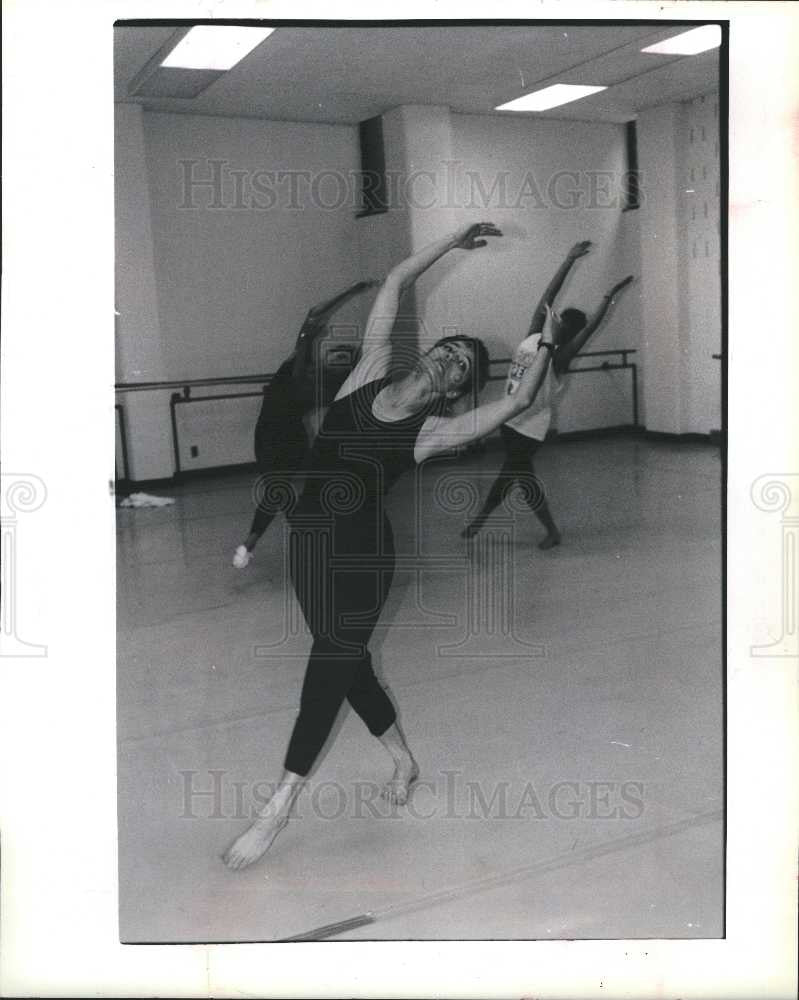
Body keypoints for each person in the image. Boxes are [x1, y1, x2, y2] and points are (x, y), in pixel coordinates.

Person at [222, 221, 559, 870]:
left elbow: (512, 405)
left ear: (457, 387)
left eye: (461, 364)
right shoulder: (369, 373)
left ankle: (279, 804)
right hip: (309, 544)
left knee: (326, 668)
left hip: (363, 557)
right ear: (429, 351)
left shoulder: (432, 432)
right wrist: (453, 240)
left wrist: (545, 344)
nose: (449, 359)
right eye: (447, 349)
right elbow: (400, 280)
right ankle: (403, 758)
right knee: (346, 666)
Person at [461, 242, 634, 547]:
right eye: (558, 319)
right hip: (509, 416)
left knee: (519, 475)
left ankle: (528, 527)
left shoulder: (561, 355)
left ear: (568, 332)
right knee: (514, 473)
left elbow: (591, 327)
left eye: (564, 325)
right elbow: (547, 297)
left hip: (530, 426)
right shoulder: (533, 336)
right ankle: (505, 523)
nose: (557, 323)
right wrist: (568, 260)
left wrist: (609, 296)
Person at [232, 280, 376, 569]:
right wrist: (351, 290)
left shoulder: (333, 388)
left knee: (302, 487)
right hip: (269, 437)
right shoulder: (300, 363)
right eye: (336, 352)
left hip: (294, 439)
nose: (337, 356)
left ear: (345, 368)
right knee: (277, 491)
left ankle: (316, 539)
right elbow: (314, 315)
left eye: (344, 358)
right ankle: (254, 542)